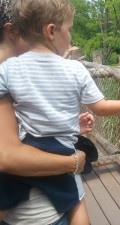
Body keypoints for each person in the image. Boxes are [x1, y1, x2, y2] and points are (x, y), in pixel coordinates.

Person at [0, 0, 120, 224]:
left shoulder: (8, 68)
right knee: (75, 199)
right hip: (60, 150)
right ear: (51, 31)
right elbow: (100, 107)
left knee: (7, 194)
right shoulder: (74, 69)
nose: (70, 37)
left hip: (27, 147)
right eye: (69, 30)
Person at [0, 0, 94, 224]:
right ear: (12, 31)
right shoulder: (9, 72)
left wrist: (64, 125)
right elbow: (7, 157)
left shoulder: (12, 74)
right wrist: (75, 162)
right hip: (42, 215)